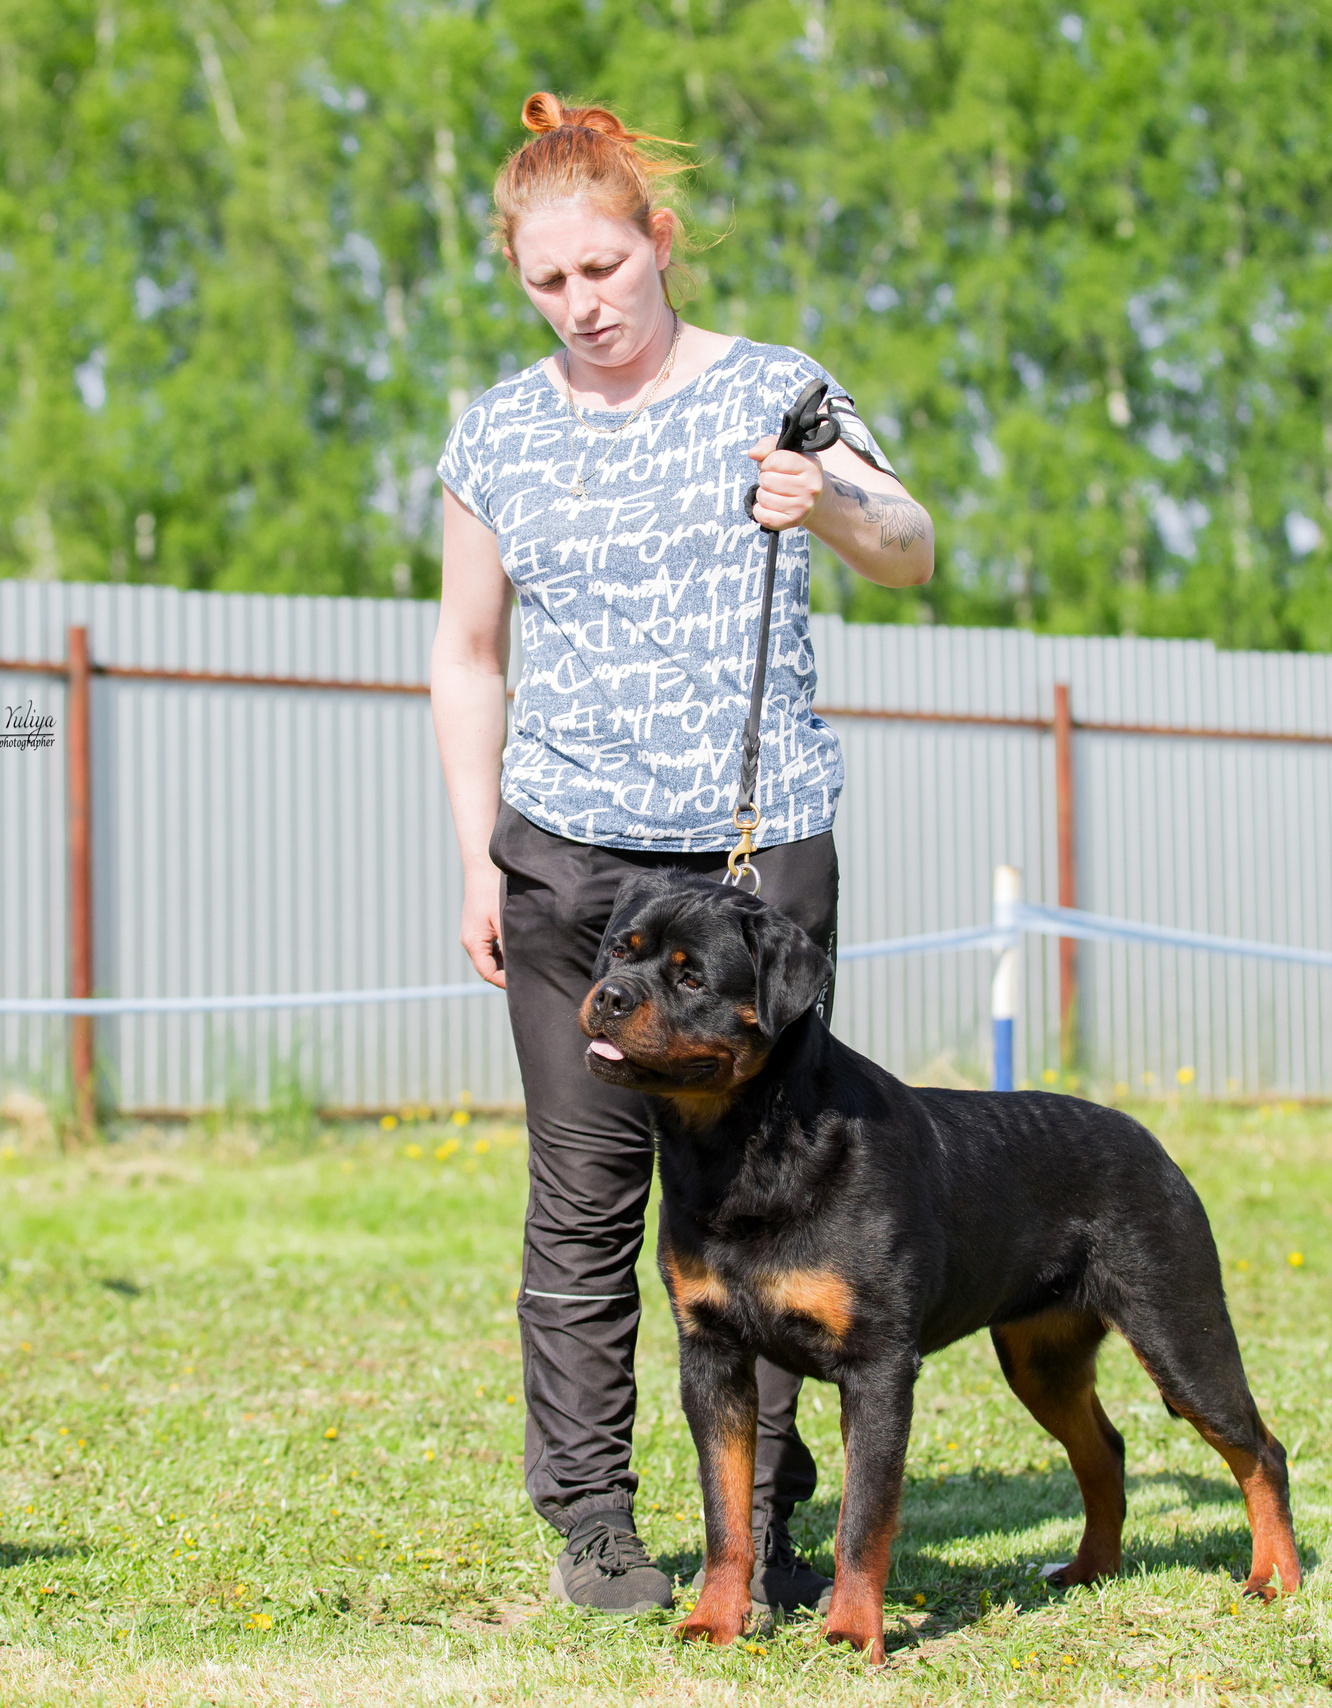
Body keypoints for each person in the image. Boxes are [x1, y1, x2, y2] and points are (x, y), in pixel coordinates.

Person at [430, 92, 934, 1617]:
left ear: (659, 243)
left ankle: (769, 1526)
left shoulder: (779, 390)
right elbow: (466, 655)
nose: (582, 306)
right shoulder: (497, 431)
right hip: (572, 870)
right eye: (547, 282)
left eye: (604, 270)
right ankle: (595, 1523)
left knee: (778, 1206)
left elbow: (910, 540)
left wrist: (831, 500)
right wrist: (478, 860)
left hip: (751, 871)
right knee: (585, 1203)